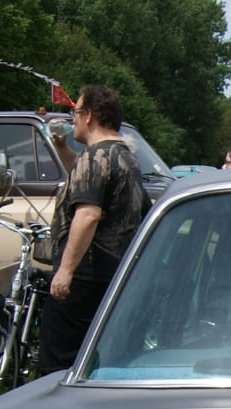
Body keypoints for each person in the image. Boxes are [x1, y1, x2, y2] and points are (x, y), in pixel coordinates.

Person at [40, 84, 149, 375]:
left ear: (88, 116)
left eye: (75, 112)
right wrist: (63, 148)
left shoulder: (94, 158)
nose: (72, 118)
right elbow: (91, 180)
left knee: (57, 364)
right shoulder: (124, 156)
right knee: (93, 362)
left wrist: (65, 270)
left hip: (84, 280)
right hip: (110, 275)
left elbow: (88, 214)